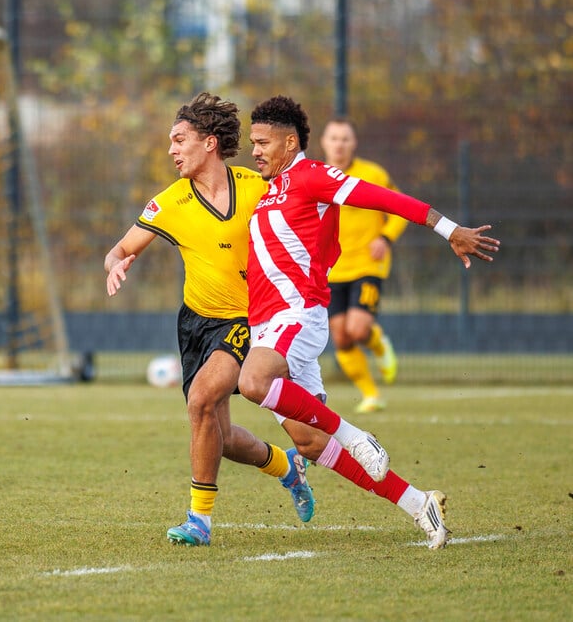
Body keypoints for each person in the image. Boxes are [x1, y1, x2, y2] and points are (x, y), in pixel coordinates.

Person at [239, 95, 500, 548]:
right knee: (310, 444)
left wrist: (450, 229)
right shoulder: (267, 191)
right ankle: (419, 503)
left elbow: (386, 200)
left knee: (253, 382)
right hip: (266, 325)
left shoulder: (312, 175)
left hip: (296, 316)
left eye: (262, 142)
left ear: (289, 141)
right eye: (251, 143)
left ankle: (357, 435)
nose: (255, 150)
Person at [104, 92, 315, 547]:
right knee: (221, 436)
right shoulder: (170, 203)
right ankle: (287, 467)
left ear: (210, 143)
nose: (171, 150)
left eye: (179, 139)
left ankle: (199, 521)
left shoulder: (256, 186)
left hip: (246, 320)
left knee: (201, 398)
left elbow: (308, 204)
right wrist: (116, 262)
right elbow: (120, 248)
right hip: (194, 325)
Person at [320, 118, 406, 413]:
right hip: (331, 270)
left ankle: (378, 343)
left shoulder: (372, 174)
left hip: (368, 265)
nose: (339, 144)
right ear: (324, 143)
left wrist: (385, 238)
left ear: (353, 143)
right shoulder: (317, 177)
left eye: (345, 138)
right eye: (334, 138)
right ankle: (371, 395)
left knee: (357, 329)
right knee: (341, 336)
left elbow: (401, 209)